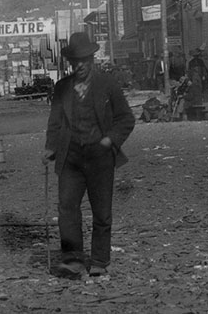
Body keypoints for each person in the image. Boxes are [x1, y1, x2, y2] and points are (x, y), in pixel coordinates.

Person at [43, 32, 135, 279]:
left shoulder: (108, 85)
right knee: (67, 208)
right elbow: (54, 123)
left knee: (102, 211)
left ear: (92, 59)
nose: (80, 65)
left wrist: (110, 139)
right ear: (71, 63)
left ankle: (99, 261)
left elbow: (126, 118)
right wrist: (50, 147)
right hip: (70, 157)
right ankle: (72, 260)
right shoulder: (62, 88)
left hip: (99, 156)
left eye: (85, 60)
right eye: (76, 61)